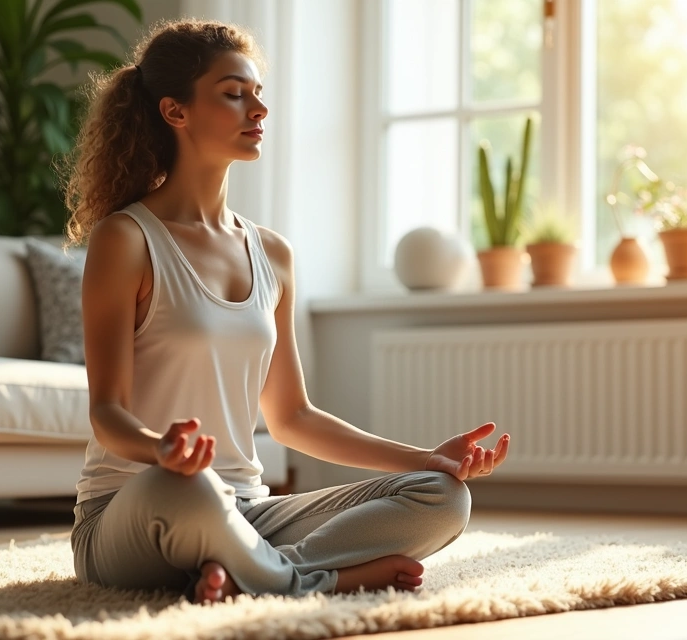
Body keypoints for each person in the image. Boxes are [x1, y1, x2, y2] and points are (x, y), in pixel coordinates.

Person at [60, 18, 511, 604]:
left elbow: (293, 417)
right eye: (234, 93)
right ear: (175, 111)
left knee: (444, 497)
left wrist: (426, 459)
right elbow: (107, 413)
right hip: (136, 508)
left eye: (258, 92)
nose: (259, 109)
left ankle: (249, 573)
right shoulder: (126, 239)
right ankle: (324, 579)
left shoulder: (272, 253)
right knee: (193, 489)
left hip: (248, 513)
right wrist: (161, 451)